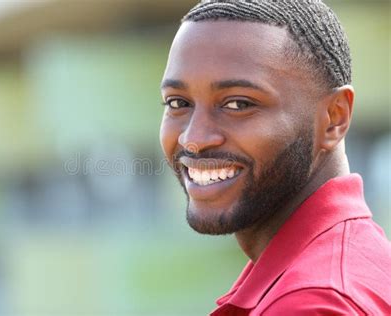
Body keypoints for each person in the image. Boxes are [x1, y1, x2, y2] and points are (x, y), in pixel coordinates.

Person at [159, 0, 390, 314]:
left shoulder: (313, 301)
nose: (194, 139)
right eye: (177, 103)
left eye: (238, 104)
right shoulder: (355, 261)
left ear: (334, 118)